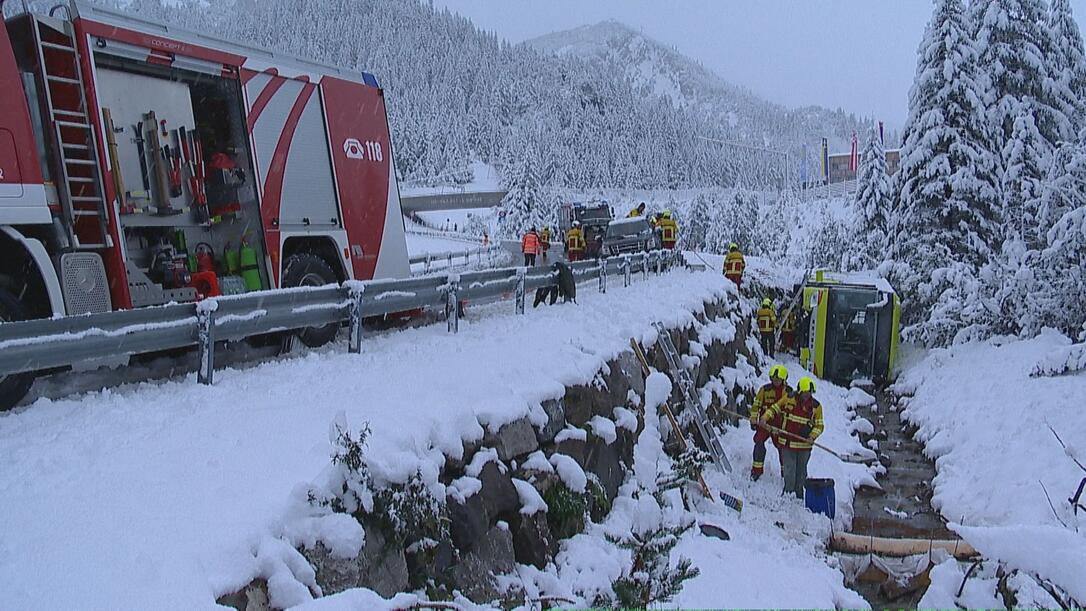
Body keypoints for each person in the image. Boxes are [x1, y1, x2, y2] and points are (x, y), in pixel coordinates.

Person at [759, 377, 824, 499]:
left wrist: (812, 436)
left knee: (801, 473)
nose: (806, 395)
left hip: (804, 447)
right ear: (799, 392)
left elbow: (819, 425)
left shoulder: (816, 407)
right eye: (804, 393)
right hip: (787, 444)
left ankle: (799, 497)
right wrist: (764, 418)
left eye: (809, 393)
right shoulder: (788, 399)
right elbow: (774, 409)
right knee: (789, 472)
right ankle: (788, 496)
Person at [750, 364, 790, 481]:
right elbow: (756, 405)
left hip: (780, 425)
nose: (776, 381)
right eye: (774, 378)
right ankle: (756, 471)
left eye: (778, 379)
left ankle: (785, 473)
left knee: (782, 448)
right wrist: (753, 419)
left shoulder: (788, 392)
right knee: (758, 443)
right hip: (764, 424)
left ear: (783, 379)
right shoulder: (764, 390)